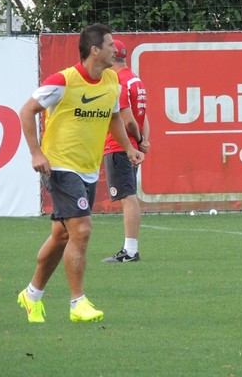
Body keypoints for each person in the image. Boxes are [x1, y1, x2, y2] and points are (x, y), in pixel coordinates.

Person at [17, 23, 144, 323]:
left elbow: (114, 118)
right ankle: (78, 303)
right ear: (95, 50)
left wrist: (127, 148)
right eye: (111, 45)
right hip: (60, 166)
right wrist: (36, 153)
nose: (116, 49)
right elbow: (26, 110)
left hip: (88, 169)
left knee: (62, 235)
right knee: (83, 230)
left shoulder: (112, 80)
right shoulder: (63, 80)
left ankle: (32, 294)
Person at [101, 39, 151, 263]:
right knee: (129, 196)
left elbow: (127, 118)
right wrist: (143, 141)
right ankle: (130, 250)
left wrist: (136, 141)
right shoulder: (136, 80)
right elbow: (144, 116)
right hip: (132, 146)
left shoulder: (118, 81)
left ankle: (130, 251)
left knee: (128, 198)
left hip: (120, 145)